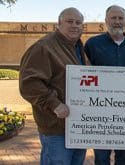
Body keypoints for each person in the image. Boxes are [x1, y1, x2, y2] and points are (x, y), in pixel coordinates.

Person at [19, 7, 87, 165]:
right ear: (59, 24)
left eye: (78, 22)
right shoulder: (44, 47)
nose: (75, 25)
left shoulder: (77, 48)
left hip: (77, 126)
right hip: (56, 128)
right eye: (70, 21)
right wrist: (54, 104)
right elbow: (29, 83)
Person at [84, 5, 125, 165]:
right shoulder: (93, 44)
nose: (117, 22)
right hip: (100, 111)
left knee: (123, 157)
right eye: (113, 18)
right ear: (106, 21)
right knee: (101, 157)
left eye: (120, 18)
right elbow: (82, 72)